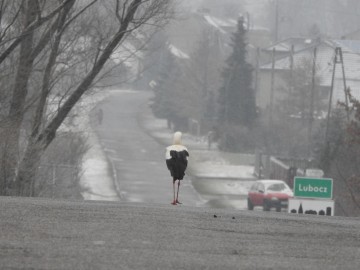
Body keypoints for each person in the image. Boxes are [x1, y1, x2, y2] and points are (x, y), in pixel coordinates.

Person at [165, 131, 189, 205]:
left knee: (174, 180)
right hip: (181, 169)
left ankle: (174, 200)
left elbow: (170, 165)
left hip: (174, 168)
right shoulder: (185, 149)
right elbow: (185, 164)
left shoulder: (169, 149)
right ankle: (176, 199)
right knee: (178, 181)